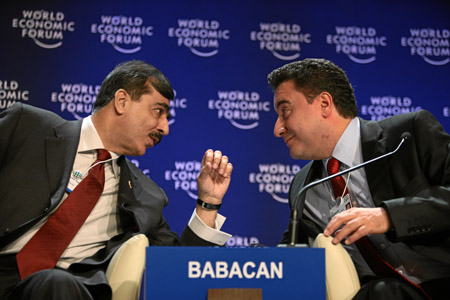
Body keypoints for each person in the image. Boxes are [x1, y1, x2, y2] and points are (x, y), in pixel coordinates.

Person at [0, 60, 233, 300]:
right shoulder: (27, 127)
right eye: (158, 111)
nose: (165, 127)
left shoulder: (146, 197)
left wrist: (208, 201)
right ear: (121, 102)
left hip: (67, 289)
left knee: (55, 282)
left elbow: (180, 269)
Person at [268, 58, 450, 299]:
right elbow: (285, 264)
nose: (277, 128)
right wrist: (211, 204)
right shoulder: (303, 188)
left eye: (285, 111)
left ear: (324, 103)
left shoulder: (408, 136)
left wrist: (387, 216)